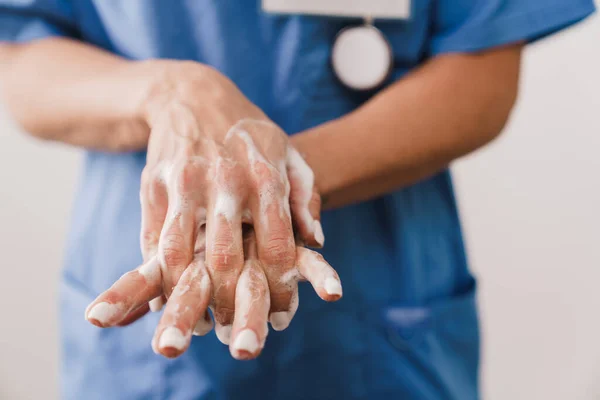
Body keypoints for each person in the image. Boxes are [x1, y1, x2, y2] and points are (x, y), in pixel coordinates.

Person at [0, 1, 595, 399]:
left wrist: (264, 185)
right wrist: (173, 92)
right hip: (150, 289)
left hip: (380, 293)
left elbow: (481, 70)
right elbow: (24, 62)